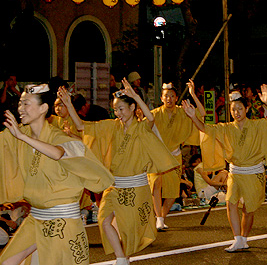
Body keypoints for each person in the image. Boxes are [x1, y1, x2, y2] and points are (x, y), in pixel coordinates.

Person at [58, 79, 179, 265]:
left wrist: (136, 96)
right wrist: (68, 104)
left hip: (136, 188)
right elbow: (83, 126)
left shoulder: (141, 128)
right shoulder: (113, 126)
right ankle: (121, 258)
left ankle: (124, 258)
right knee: (104, 219)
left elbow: (151, 118)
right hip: (114, 186)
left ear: (132, 108)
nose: (118, 113)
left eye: (121, 109)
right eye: (115, 109)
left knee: (129, 231)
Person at [0, 83, 114, 265]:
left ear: (43, 108)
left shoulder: (57, 136)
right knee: (7, 262)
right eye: (20, 104)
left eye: (26, 104)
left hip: (62, 222)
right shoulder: (20, 134)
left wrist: (22, 138)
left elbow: (58, 153)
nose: (20, 109)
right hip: (36, 218)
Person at [182, 84, 267, 252]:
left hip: (253, 172)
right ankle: (237, 238)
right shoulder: (227, 127)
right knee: (230, 203)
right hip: (235, 172)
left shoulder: (258, 125)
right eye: (233, 109)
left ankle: (243, 238)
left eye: (239, 109)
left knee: (249, 210)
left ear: (247, 108)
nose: (236, 112)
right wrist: (193, 116)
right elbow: (206, 129)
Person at [148, 79, 204, 230]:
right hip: (157, 155)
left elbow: (202, 113)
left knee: (173, 192)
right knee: (156, 184)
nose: (169, 99)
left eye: (172, 96)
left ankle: (161, 217)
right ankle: (159, 218)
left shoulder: (182, 111)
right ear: (161, 98)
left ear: (176, 98)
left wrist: (192, 93)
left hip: (174, 155)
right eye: (166, 96)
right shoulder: (155, 114)